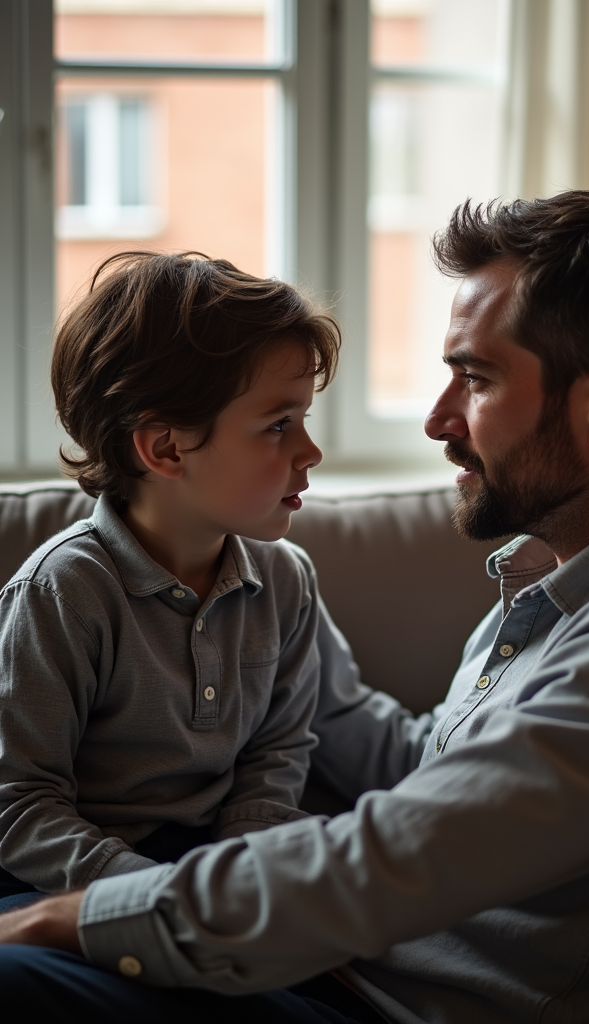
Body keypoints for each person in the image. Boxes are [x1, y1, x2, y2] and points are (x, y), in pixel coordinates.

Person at [1, 191, 589, 1024]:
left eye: (475, 378)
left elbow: (397, 856)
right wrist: (274, 648)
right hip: (321, 972)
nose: (439, 420)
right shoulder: (568, 583)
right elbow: (431, 770)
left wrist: (87, 913)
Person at [0, 252, 340, 909]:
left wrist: (234, 884)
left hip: (207, 869)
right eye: (278, 425)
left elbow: (276, 758)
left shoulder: (286, 580)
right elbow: (18, 803)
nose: (311, 453)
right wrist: (155, 897)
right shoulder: (64, 592)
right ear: (164, 448)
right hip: (62, 879)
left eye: (304, 419)